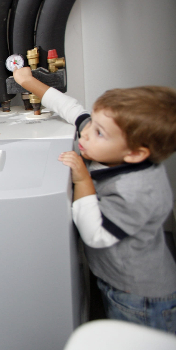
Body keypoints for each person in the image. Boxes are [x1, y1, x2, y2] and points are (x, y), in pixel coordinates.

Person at [14, 66, 176, 333]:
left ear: (135, 154)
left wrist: (82, 181)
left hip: (139, 296)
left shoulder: (138, 192)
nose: (86, 134)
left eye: (99, 133)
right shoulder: (113, 144)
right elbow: (73, 109)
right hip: (115, 279)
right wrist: (29, 82)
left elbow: (96, 234)